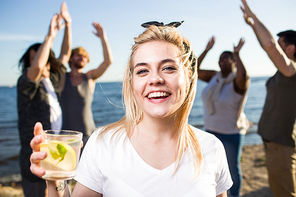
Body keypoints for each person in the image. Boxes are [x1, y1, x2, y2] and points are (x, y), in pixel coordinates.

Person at [29, 23, 233, 197]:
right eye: (142, 71)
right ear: (132, 82)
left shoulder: (212, 148)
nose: (155, 79)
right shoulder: (102, 144)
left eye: (169, 68)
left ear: (189, 77)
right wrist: (55, 179)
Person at [241, 0, 296, 196]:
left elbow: (270, 46)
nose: (276, 49)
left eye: (282, 46)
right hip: (273, 146)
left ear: (290, 49)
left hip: (280, 148)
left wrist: (254, 18)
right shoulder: (285, 74)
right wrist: (252, 25)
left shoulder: (291, 71)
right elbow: (270, 46)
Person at [17, 2, 71, 197]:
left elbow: (65, 54)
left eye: (39, 57)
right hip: (34, 159)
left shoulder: (53, 81)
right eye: (33, 59)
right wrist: (50, 35)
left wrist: (69, 25)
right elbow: (38, 67)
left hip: (57, 155)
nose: (37, 63)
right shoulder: (26, 84)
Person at [197, 36, 250, 197]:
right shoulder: (215, 77)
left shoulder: (238, 81)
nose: (222, 61)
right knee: (210, 169)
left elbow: (243, 75)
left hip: (232, 133)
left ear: (234, 62)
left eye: (226, 58)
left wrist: (237, 53)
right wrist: (206, 50)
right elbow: (193, 69)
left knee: (232, 169)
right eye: (220, 58)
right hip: (211, 132)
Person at [60, 22, 113, 143]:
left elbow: (108, 61)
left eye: (84, 56)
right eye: (78, 55)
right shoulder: (62, 78)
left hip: (88, 136)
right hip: (65, 137)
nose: (82, 57)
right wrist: (67, 26)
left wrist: (103, 38)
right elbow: (63, 56)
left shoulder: (89, 77)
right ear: (71, 58)